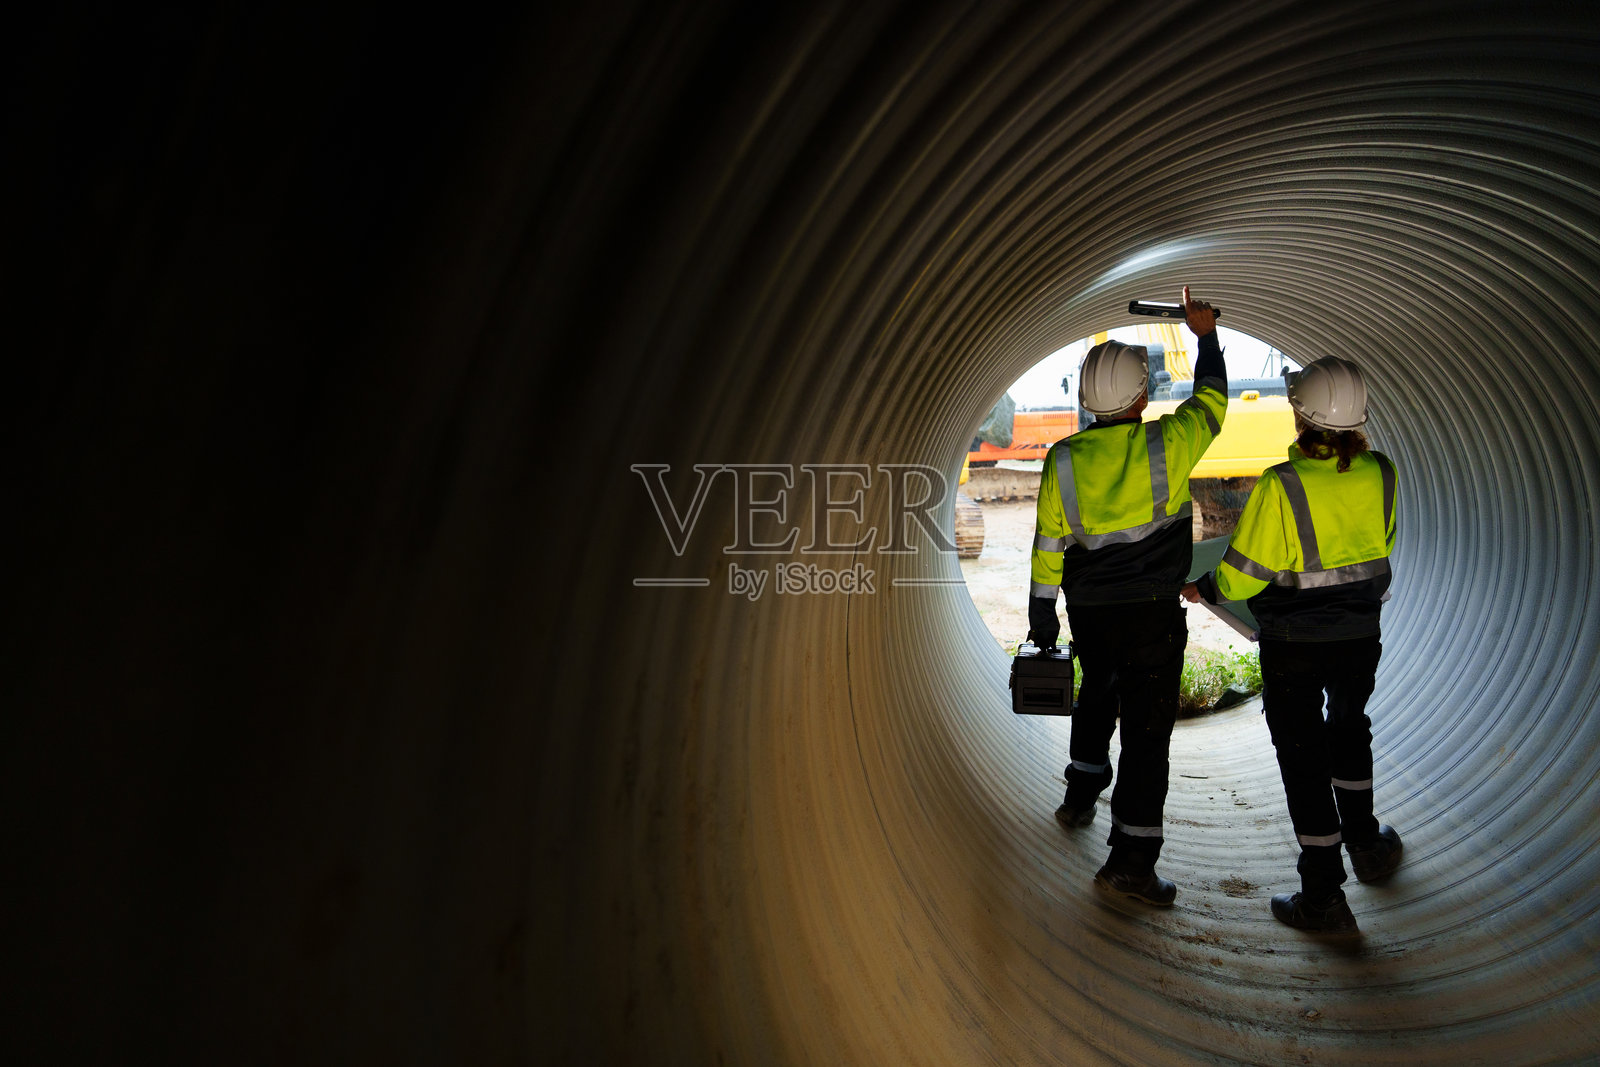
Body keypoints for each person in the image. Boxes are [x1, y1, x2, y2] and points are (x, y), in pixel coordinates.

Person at [1183, 356, 1402, 933]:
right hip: (1360, 633)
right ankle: (1367, 845)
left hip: (1294, 642)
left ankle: (1324, 896)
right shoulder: (1382, 471)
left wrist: (1205, 585)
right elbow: (1382, 541)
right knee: (1350, 729)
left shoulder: (1283, 483)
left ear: (1299, 416)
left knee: (1303, 757)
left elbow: (1243, 575)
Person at [1028, 287, 1226, 906]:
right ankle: (1132, 866)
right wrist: (1205, 336)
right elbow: (1214, 404)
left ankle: (1079, 796)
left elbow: (1047, 545)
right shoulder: (1168, 443)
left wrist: (1042, 617)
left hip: (1091, 616)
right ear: (1141, 396)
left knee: (1095, 697)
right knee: (1146, 738)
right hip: (1152, 619)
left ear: (1086, 399)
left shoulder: (1061, 461)